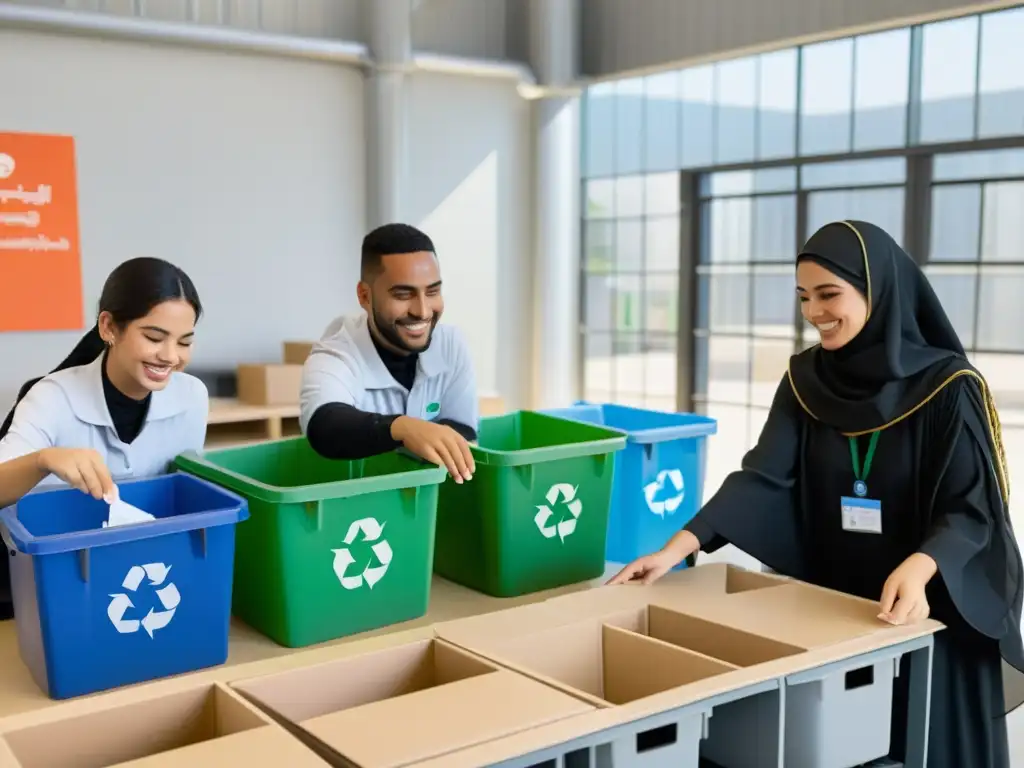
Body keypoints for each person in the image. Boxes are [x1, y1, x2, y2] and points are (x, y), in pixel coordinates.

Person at [609, 220, 1024, 767]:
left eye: (830, 294)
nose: (814, 312)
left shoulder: (949, 387)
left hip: (924, 608)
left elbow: (971, 509)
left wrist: (923, 565)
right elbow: (762, 476)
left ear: (877, 292)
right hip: (838, 606)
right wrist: (676, 547)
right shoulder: (805, 380)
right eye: (804, 297)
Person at [0, 257, 208, 616]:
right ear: (109, 326)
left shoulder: (191, 397)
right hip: (53, 586)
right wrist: (44, 459)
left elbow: (182, 494)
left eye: (185, 342)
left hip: (147, 575)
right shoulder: (52, 396)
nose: (171, 357)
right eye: (154, 337)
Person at [300, 223, 478, 482]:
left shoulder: (451, 344)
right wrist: (403, 427)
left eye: (433, 291)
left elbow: (464, 432)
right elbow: (325, 426)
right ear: (364, 296)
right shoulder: (336, 352)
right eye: (403, 294)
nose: (423, 311)